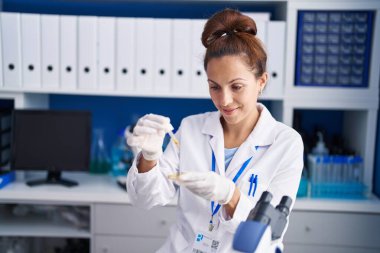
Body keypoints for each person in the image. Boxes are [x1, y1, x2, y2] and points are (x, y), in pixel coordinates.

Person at [126, 8, 304, 253]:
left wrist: (230, 196)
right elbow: (145, 199)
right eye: (214, 87)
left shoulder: (285, 143)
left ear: (261, 81)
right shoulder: (191, 128)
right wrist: (149, 157)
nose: (225, 100)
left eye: (237, 86)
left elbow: (269, 232)